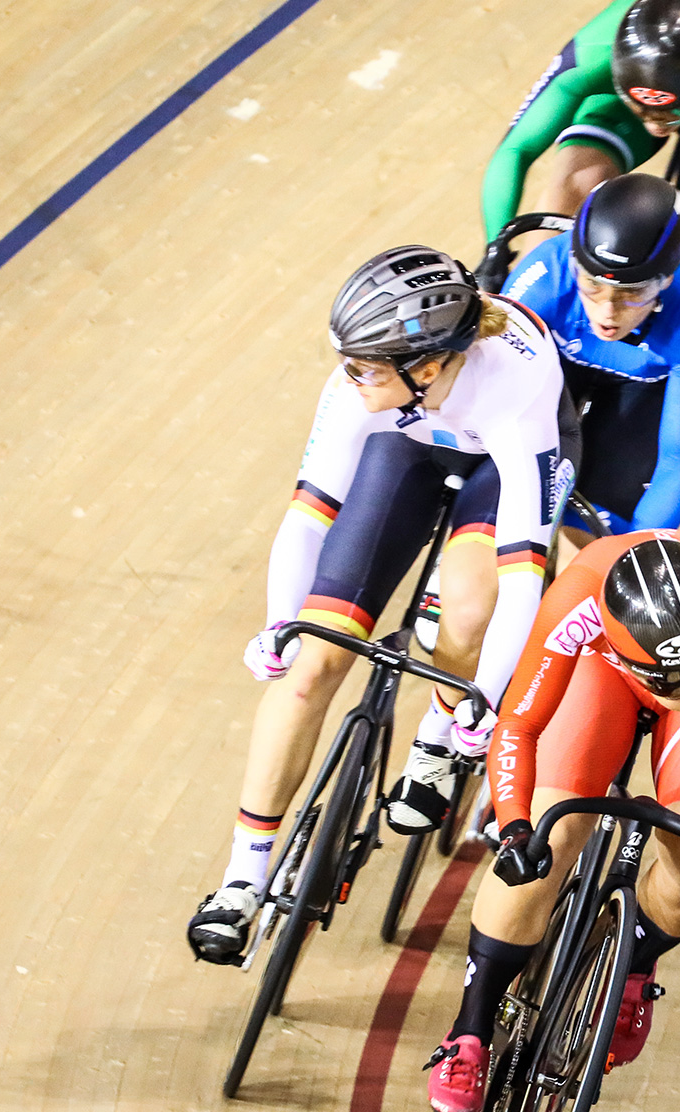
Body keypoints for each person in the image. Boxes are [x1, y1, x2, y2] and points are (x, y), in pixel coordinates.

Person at [187, 246, 574, 963]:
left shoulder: (514, 394)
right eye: (347, 360)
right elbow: (309, 516)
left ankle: (434, 737)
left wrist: (479, 702)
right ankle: (244, 876)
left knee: (465, 612)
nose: (347, 375)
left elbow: (522, 578)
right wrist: (280, 625)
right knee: (309, 664)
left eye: (364, 365)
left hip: (500, 463)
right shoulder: (365, 384)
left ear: (426, 365)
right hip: (406, 441)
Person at [424, 532, 680, 1112]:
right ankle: (470, 1030)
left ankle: (633, 960)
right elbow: (519, 728)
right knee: (546, 844)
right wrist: (513, 829)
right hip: (602, 670)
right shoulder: (579, 598)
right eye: (676, 680)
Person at [481, 0, 680, 292]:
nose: (655, 125)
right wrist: (496, 247)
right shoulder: (591, 55)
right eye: (643, 109)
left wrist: (659, 306)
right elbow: (515, 150)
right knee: (573, 183)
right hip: (669, 88)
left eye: (671, 113)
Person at [501, 173, 680, 566]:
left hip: (641, 386)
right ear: (574, 265)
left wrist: (630, 555)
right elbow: (488, 397)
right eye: (592, 287)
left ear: (667, 280)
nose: (608, 311)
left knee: (589, 551)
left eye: (633, 293)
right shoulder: (545, 277)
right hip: (554, 366)